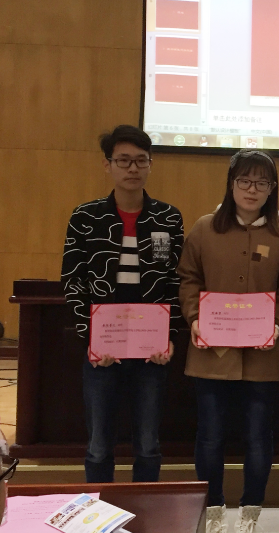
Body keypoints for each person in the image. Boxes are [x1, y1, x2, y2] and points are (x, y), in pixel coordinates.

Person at [177, 149, 279, 533]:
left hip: (263, 356)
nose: (252, 189)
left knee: (258, 438)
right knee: (210, 436)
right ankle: (214, 510)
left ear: (272, 188)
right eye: (244, 181)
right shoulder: (204, 228)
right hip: (211, 353)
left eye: (261, 182)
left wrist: (277, 324)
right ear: (231, 185)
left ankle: (251, 511)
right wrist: (195, 317)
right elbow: (188, 279)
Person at [61, 125, 182, 483]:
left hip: (151, 351)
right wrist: (91, 339)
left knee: (148, 444)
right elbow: (72, 282)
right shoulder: (86, 218)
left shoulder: (168, 218)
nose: (133, 168)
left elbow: (175, 281)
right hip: (103, 349)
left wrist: (169, 337)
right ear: (108, 164)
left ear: (150, 165)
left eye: (141, 161)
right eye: (124, 160)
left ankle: (145, 510)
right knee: (99, 445)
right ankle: (102, 510)